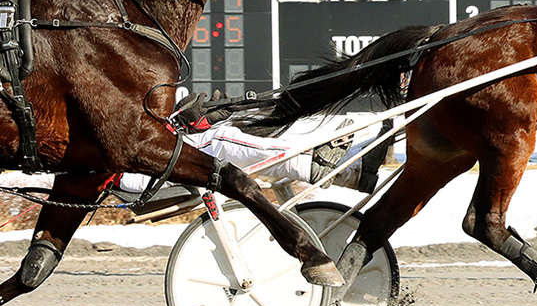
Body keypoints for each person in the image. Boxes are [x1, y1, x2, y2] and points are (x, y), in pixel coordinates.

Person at [110, 91, 391, 194]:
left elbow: (145, 143)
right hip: (133, 177)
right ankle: (313, 163)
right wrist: (179, 127)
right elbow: (135, 153)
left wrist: (184, 123)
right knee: (221, 141)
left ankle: (353, 170)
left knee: (246, 128)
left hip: (148, 163)